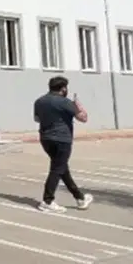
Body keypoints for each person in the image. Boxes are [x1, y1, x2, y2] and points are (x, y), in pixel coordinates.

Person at [34, 76, 93, 213]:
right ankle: (47, 200)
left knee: (61, 168)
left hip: (46, 139)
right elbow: (83, 118)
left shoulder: (39, 101)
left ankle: (80, 198)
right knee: (57, 169)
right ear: (63, 88)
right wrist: (78, 105)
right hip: (62, 139)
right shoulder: (65, 102)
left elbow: (37, 119)